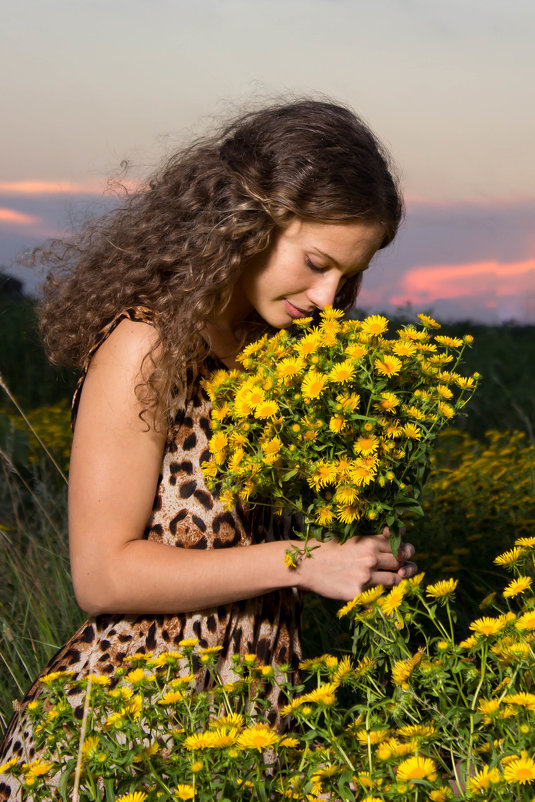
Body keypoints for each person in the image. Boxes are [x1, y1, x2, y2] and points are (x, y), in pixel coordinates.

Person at [0, 99, 417, 791]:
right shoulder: (146, 345)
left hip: (251, 724)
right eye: (315, 262)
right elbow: (101, 576)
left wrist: (357, 554)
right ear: (246, 223)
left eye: (348, 275)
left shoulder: (276, 357)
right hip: (131, 734)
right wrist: (303, 561)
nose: (327, 296)